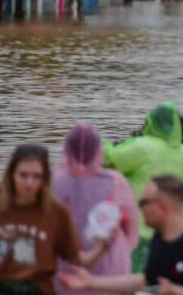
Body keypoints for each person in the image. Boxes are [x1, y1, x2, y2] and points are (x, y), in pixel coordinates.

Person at [59, 176, 183, 294]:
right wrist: (92, 282)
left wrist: (179, 292)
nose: (140, 209)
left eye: (144, 203)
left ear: (163, 206)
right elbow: (146, 280)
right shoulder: (159, 237)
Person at [0, 144, 109, 294]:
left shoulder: (57, 213)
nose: (29, 183)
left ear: (45, 179)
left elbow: (79, 261)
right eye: (23, 175)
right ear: (11, 175)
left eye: (36, 176)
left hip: (39, 289)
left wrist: (102, 248)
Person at [103, 102, 183, 270]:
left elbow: (111, 160)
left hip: (144, 228)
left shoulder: (143, 147)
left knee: (141, 279)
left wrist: (102, 143)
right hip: (181, 230)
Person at [53, 122, 139, 295]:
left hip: (65, 267)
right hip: (111, 267)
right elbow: (131, 227)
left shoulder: (54, 180)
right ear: (98, 151)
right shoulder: (116, 182)